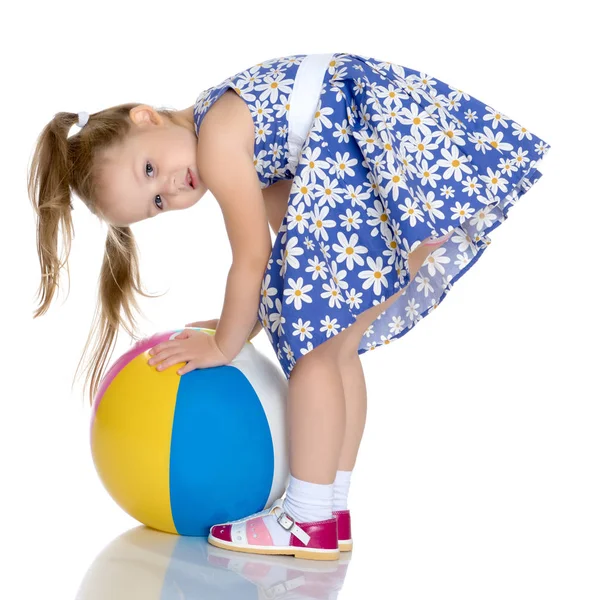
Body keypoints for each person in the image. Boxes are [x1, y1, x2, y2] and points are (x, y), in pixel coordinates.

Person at [28, 52, 551, 560]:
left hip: (370, 142)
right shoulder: (238, 126)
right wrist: (246, 324)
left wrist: (224, 344)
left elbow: (252, 257)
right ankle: (330, 505)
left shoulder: (217, 141)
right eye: (157, 204)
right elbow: (284, 263)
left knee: (313, 351)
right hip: (373, 144)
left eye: (149, 169)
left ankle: (306, 519)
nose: (170, 189)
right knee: (334, 346)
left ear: (146, 117)